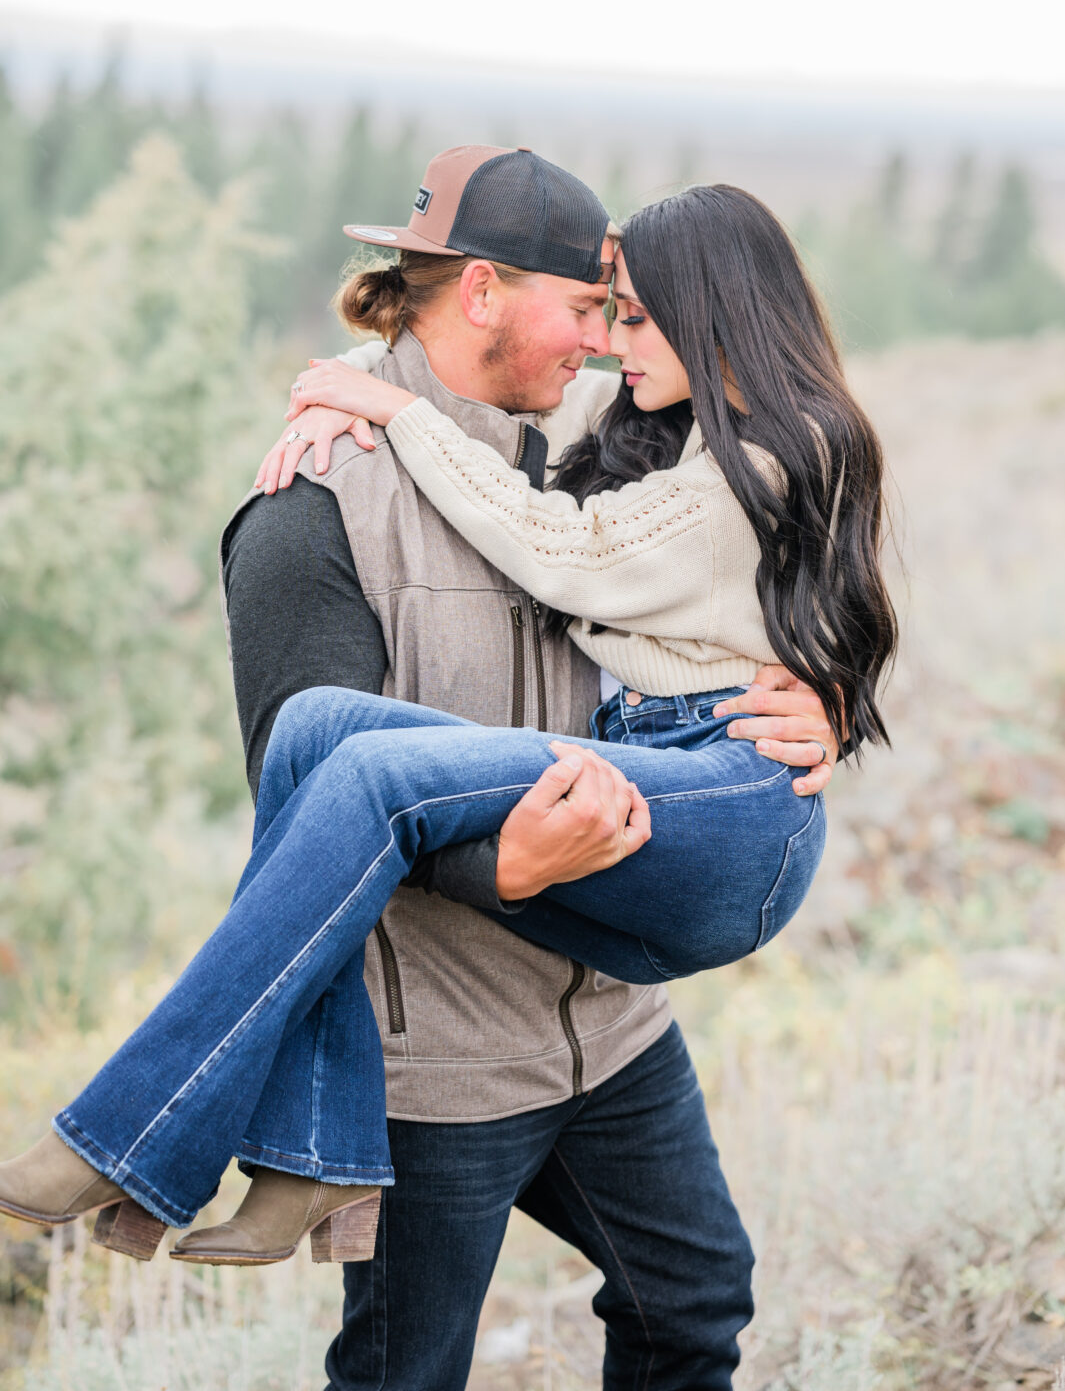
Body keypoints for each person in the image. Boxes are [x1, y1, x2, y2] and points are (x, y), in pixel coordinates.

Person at [0, 148, 860, 1391]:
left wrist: (821, 699)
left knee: (691, 1310)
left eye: (619, 314)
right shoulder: (313, 502)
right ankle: (236, 1138)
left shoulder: (591, 443)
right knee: (407, 1372)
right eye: (587, 308)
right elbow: (295, 778)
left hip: (607, 1020)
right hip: (441, 1052)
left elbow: (763, 557)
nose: (605, 344)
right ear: (485, 292)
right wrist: (500, 867)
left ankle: (150, 1132)